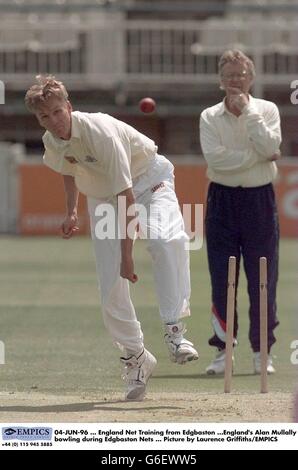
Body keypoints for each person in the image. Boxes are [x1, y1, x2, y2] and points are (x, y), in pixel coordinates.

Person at [25, 75, 198, 401]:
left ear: (69, 107)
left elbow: (127, 197)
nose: (54, 122)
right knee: (110, 288)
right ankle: (137, 358)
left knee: (165, 240)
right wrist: (72, 211)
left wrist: (128, 256)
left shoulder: (101, 132)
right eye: (44, 117)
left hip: (148, 181)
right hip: (105, 196)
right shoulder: (53, 138)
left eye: (58, 112)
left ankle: (175, 331)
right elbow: (68, 167)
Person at [199, 50, 281, 375]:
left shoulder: (267, 110)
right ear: (221, 80)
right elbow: (216, 160)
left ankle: (263, 351)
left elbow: (271, 142)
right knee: (222, 277)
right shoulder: (209, 116)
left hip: (259, 201)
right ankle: (223, 352)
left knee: (263, 277)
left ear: (252, 77)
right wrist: (259, 155)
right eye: (230, 75)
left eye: (241, 74)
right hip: (222, 201)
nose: (236, 80)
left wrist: (249, 113)